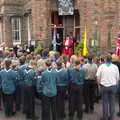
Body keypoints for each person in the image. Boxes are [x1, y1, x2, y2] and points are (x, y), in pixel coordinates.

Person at [96, 55, 119, 120]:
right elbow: (117, 78)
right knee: (112, 103)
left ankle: (105, 117)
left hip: (104, 86)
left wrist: (98, 85)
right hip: (112, 86)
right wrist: (116, 85)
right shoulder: (115, 67)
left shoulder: (101, 66)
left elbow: (98, 77)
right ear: (111, 60)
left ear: (106, 60)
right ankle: (112, 117)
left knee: (105, 103)